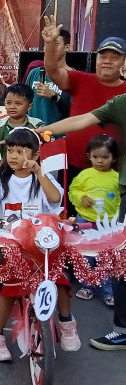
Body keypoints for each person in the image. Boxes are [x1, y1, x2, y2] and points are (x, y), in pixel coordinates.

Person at [0, 128, 80, 361]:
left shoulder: (43, 176)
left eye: (20, 151)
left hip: (42, 242)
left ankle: (67, 323)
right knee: (9, 290)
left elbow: (55, 199)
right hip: (14, 242)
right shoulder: (1, 177)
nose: (13, 156)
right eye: (9, 151)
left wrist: (40, 174)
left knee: (60, 279)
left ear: (35, 155)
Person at [37, 93, 126, 350]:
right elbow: (82, 120)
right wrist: (42, 130)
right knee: (120, 259)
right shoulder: (120, 103)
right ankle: (122, 329)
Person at [42, 16, 126, 177]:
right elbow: (52, 71)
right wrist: (49, 44)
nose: (107, 61)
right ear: (96, 59)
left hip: (114, 173)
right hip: (73, 166)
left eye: (114, 57)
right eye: (103, 56)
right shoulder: (81, 80)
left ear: (124, 62)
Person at [69, 134, 120, 306]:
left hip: (109, 224)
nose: (99, 161)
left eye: (105, 157)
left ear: (114, 158)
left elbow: (122, 199)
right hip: (85, 220)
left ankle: (109, 292)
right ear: (89, 156)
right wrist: (81, 197)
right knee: (85, 256)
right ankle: (87, 286)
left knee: (106, 258)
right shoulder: (84, 175)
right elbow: (72, 191)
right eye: (95, 157)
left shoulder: (117, 178)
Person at [25, 30, 72, 126]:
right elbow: (24, 102)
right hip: (33, 135)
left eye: (56, 44)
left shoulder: (73, 77)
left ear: (67, 47)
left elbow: (76, 113)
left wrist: (53, 96)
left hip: (58, 136)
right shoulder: (35, 73)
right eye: (47, 44)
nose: (50, 48)